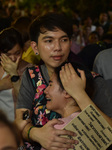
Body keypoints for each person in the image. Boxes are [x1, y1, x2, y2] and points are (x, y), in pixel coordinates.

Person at [15, 12, 112, 150]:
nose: (58, 47)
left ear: (70, 43)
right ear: (35, 47)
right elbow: (20, 121)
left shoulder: (92, 80)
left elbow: (109, 132)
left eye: (64, 40)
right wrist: (36, 134)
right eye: (49, 41)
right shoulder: (31, 76)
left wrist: (79, 93)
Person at [42, 62, 112, 150]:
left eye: (50, 84)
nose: (45, 90)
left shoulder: (57, 130)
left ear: (67, 92)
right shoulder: (94, 123)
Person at [0, 27, 32, 121]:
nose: (13, 58)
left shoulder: (30, 70)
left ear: (23, 49)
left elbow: (26, 102)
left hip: (18, 126)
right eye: (8, 55)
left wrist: (14, 75)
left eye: (17, 53)